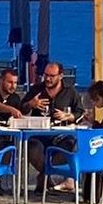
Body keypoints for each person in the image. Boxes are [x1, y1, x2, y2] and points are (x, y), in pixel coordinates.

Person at [22, 62, 82, 192]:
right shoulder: (36, 89)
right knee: (31, 147)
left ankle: (44, 177)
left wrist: (69, 116)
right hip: (38, 135)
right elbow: (21, 110)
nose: (48, 79)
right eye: (46, 75)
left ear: (61, 76)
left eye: (52, 76)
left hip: (62, 135)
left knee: (70, 147)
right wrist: (31, 104)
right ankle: (45, 176)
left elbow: (80, 112)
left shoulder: (70, 92)